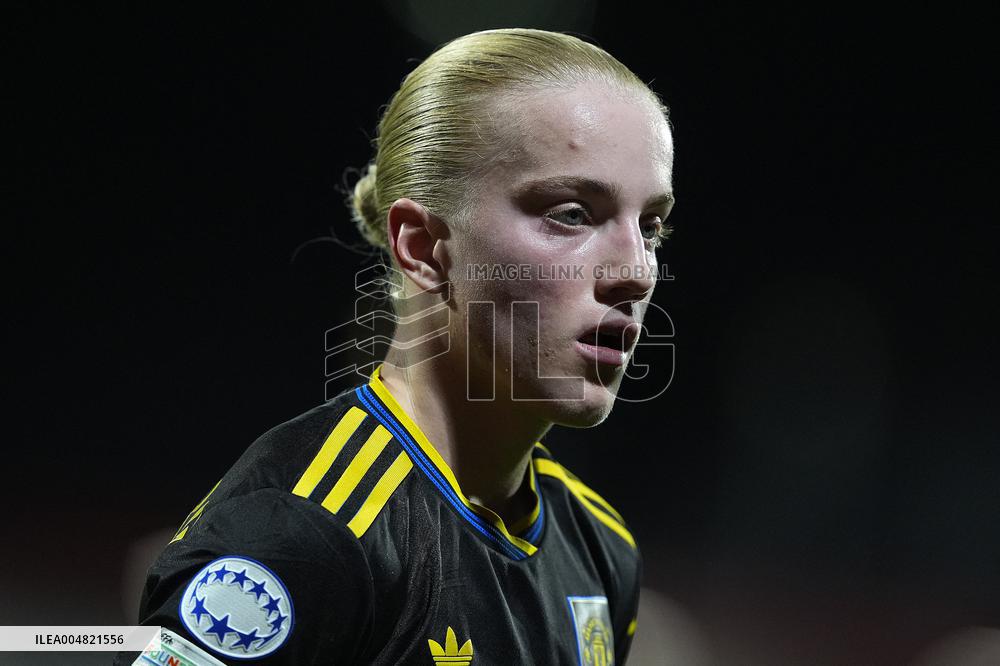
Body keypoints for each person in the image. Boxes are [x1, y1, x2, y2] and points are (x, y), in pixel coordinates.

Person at [117, 27, 675, 665]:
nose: (636, 270)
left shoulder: (602, 551)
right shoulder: (298, 539)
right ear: (424, 248)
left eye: (652, 225)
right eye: (572, 213)